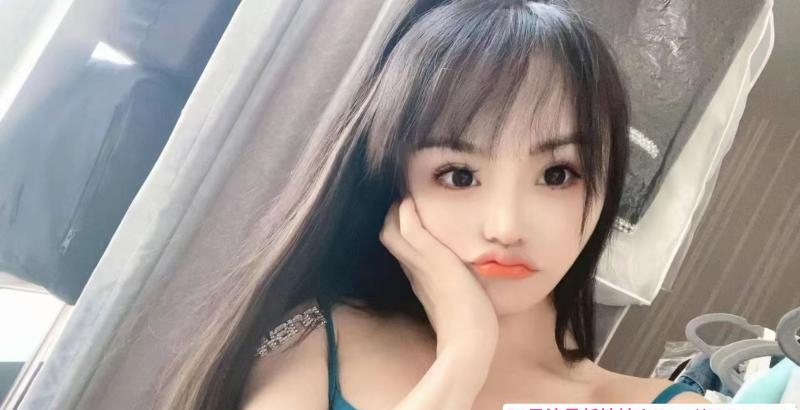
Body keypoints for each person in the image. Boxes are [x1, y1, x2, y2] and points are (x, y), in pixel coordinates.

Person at [159, 1, 712, 408]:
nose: (505, 227)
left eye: (557, 174)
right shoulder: (315, 339)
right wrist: (462, 358)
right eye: (459, 175)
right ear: (395, 182)